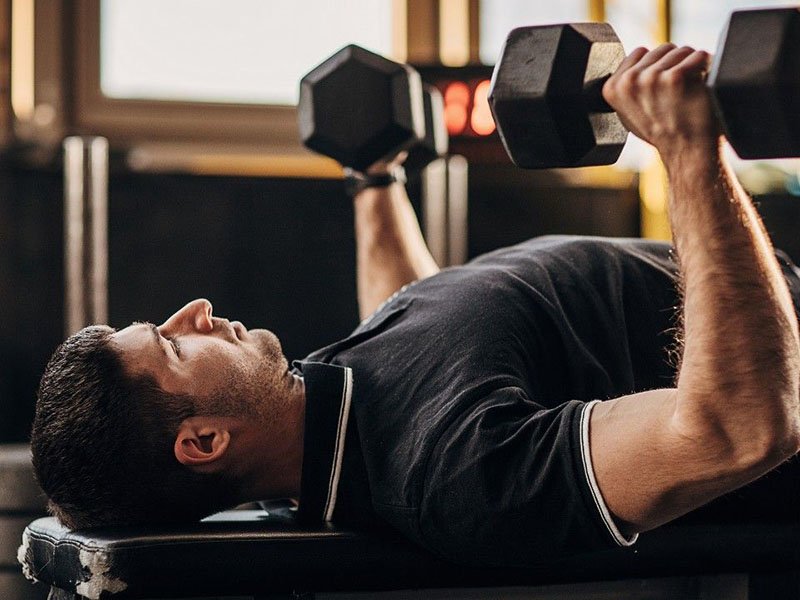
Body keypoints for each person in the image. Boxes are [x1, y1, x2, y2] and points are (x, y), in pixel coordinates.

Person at [31, 44, 800, 567]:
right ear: (201, 441)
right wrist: (689, 150)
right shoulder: (454, 475)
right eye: (170, 347)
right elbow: (736, 429)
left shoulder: (343, 399)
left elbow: (414, 313)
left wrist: (375, 177)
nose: (192, 311)